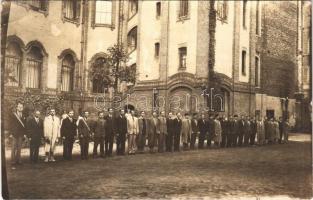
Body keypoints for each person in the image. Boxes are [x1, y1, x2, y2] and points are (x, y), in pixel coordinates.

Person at [9, 102, 27, 166]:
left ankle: (18, 160)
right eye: (19, 107)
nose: (20, 108)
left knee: (19, 147)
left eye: (21, 107)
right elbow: (10, 124)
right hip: (14, 133)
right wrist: (10, 133)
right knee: (13, 147)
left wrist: (25, 134)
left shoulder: (24, 115)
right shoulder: (12, 114)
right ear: (17, 107)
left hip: (21, 134)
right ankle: (13, 161)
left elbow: (25, 125)